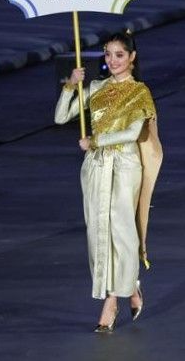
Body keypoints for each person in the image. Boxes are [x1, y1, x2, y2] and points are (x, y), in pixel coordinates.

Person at [54, 32, 161, 332]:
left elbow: (132, 133)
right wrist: (70, 86)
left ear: (132, 57)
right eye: (108, 54)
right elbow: (61, 117)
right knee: (98, 232)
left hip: (125, 166)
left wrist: (96, 140)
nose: (113, 61)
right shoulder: (96, 87)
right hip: (95, 167)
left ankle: (112, 300)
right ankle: (127, 286)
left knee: (122, 232)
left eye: (119, 55)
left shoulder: (140, 92)